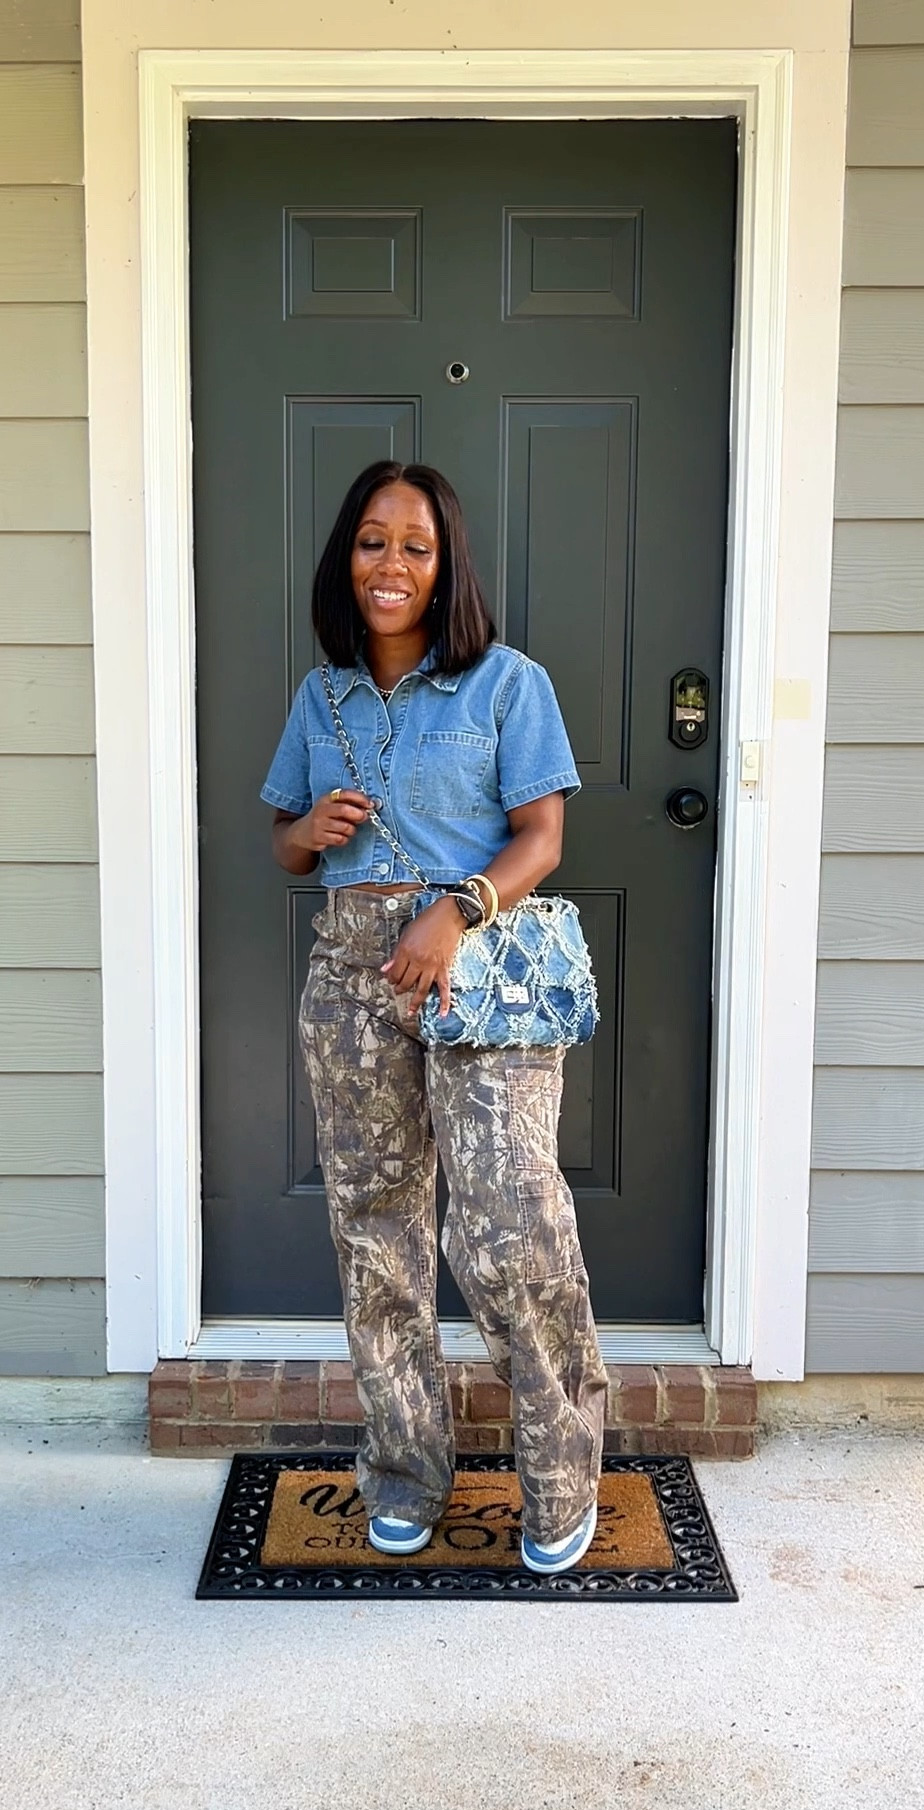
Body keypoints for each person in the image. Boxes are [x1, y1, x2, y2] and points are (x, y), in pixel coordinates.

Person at [261, 460, 608, 1575]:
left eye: (415, 544)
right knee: (378, 1232)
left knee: (511, 1225)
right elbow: (283, 843)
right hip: (351, 975)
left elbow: (542, 837)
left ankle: (560, 1473)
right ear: (345, 559)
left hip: (474, 968)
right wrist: (309, 825)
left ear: (446, 561)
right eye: (372, 542)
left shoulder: (508, 685)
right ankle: (405, 1469)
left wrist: (453, 915)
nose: (392, 564)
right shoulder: (323, 698)